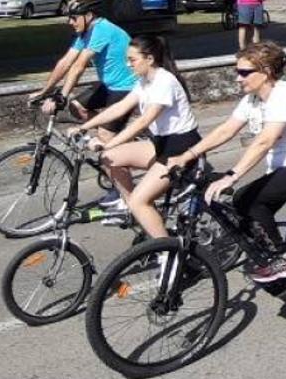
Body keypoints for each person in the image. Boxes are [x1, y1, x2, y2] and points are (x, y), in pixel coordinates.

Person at [171, 42, 286, 283]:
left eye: (244, 72)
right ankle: (272, 256)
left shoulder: (285, 95)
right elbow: (226, 130)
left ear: (267, 71)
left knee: (254, 202)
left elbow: (265, 140)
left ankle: (283, 260)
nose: (238, 78)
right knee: (242, 203)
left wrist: (232, 175)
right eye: (237, 72)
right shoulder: (253, 99)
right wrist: (187, 155)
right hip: (283, 165)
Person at [69, 35, 199, 233]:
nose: (128, 65)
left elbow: (143, 121)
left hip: (180, 147)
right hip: (161, 144)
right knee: (109, 158)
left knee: (139, 201)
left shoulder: (164, 81)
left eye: (132, 60)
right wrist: (84, 127)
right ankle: (140, 213)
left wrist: (109, 143)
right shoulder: (144, 81)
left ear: (149, 59)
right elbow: (119, 107)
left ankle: (167, 252)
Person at [29, 0, 138, 161]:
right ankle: (119, 135)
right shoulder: (85, 33)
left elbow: (79, 65)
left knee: (104, 135)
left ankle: (122, 149)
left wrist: (62, 95)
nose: (70, 22)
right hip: (109, 85)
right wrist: (44, 91)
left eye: (74, 18)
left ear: (88, 16)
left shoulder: (102, 29)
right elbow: (65, 62)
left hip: (127, 86)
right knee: (77, 106)